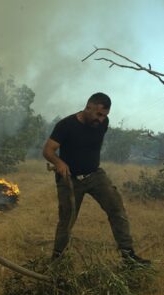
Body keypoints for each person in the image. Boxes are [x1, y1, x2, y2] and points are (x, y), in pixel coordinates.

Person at [42, 92, 149, 265]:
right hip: (70, 179)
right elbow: (48, 151)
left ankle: (129, 257)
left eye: (104, 116)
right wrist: (59, 163)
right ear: (88, 107)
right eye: (98, 114)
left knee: (117, 210)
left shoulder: (103, 123)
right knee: (67, 220)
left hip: (95, 175)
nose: (100, 119)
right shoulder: (66, 125)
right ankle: (57, 261)